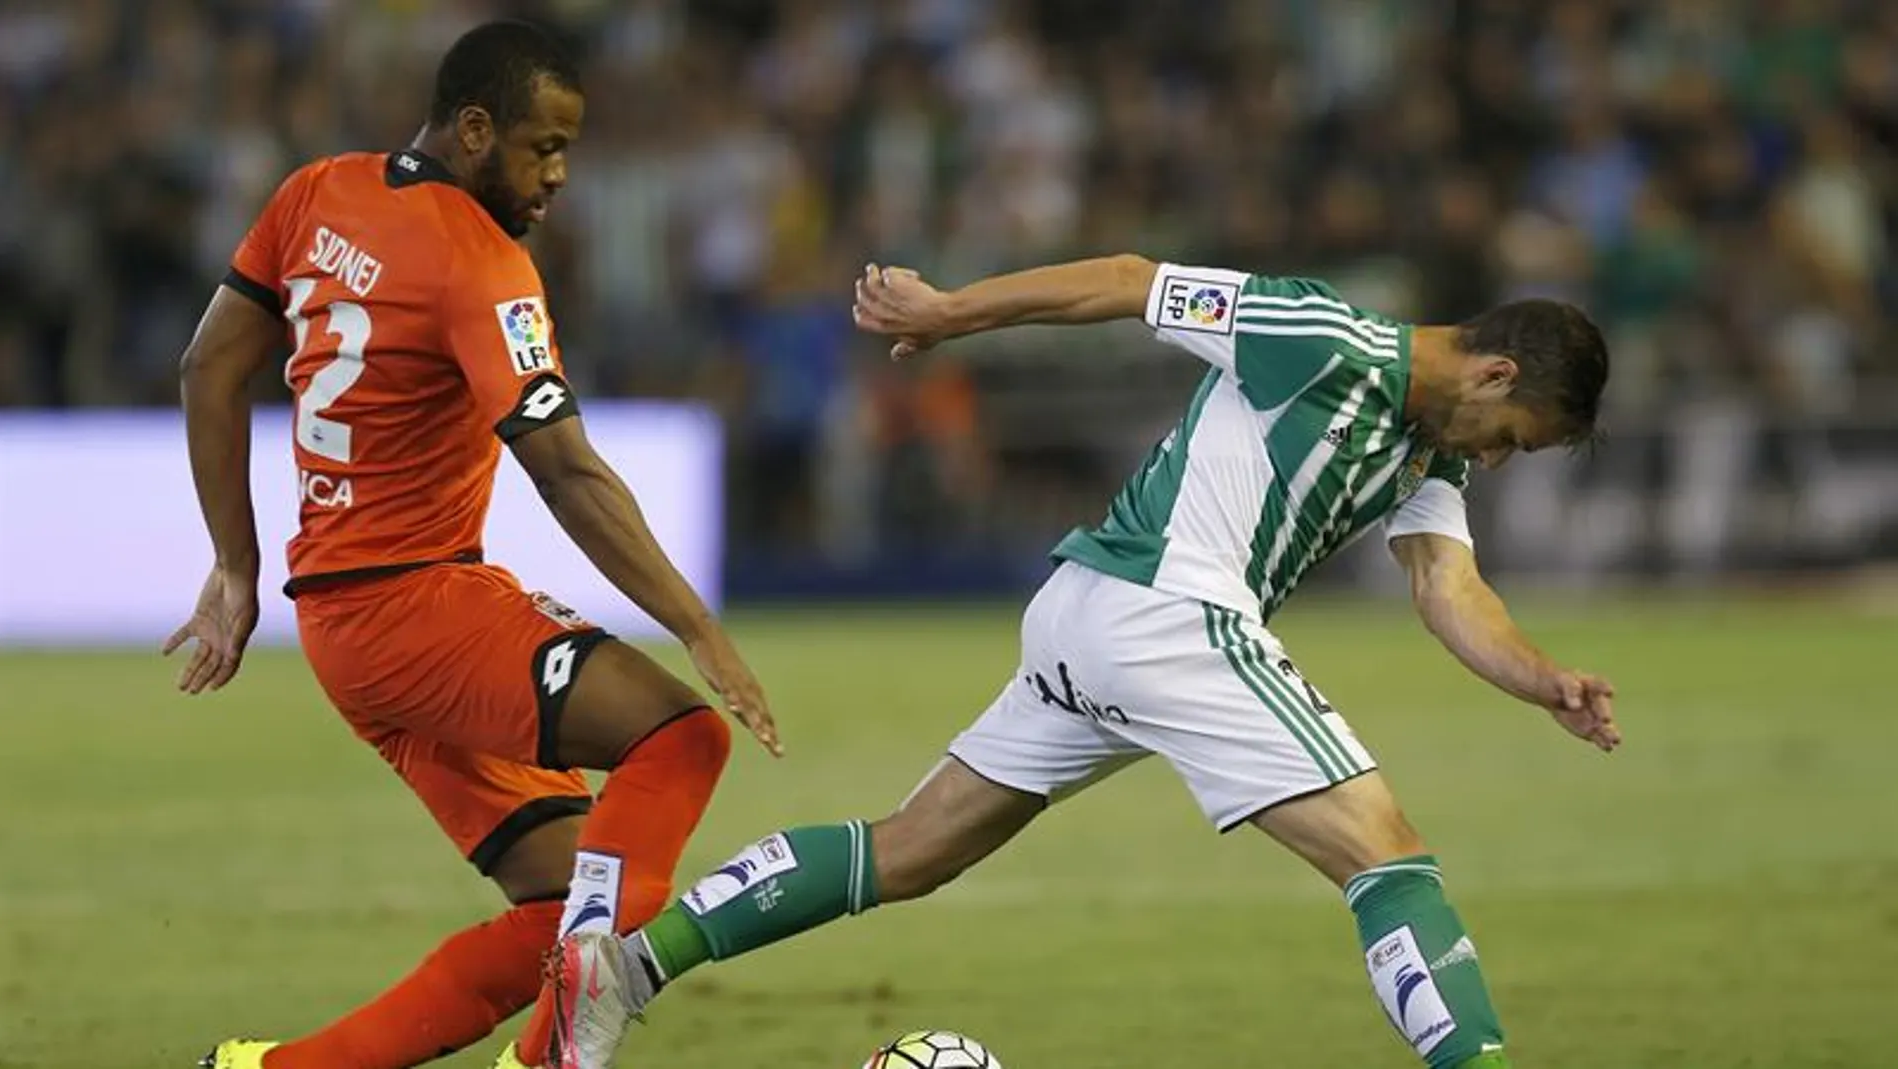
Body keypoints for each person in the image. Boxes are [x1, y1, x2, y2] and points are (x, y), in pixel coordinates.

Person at [522, 255, 1621, 1069]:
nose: (1496, 456)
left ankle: (620, 968)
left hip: (1088, 618)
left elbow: (1447, 587)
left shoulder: (1429, 445)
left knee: (911, 850)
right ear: (1493, 371)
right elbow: (1135, 284)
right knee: (1389, 859)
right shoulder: (1324, 334)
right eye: (1511, 435)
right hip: (1166, 613)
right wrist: (951, 312)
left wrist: (1542, 678)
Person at [167, 21, 780, 1069]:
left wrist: (238, 566)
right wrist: (697, 628)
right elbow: (567, 469)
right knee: (683, 738)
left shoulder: (316, 193)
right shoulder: (479, 262)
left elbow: (206, 369)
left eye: (569, 152)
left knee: (565, 901)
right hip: (417, 607)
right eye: (543, 148)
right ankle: (556, 1058)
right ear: (474, 128)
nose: (557, 177)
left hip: (343, 623)